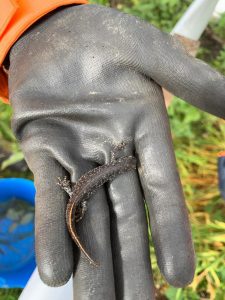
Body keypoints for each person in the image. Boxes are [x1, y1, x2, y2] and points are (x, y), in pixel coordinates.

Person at [1, 2, 225, 299]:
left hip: (81, 188)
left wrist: (25, 22)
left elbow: (116, 166)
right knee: (78, 203)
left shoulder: (119, 164)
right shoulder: (118, 163)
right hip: (80, 190)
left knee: (81, 197)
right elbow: (114, 166)